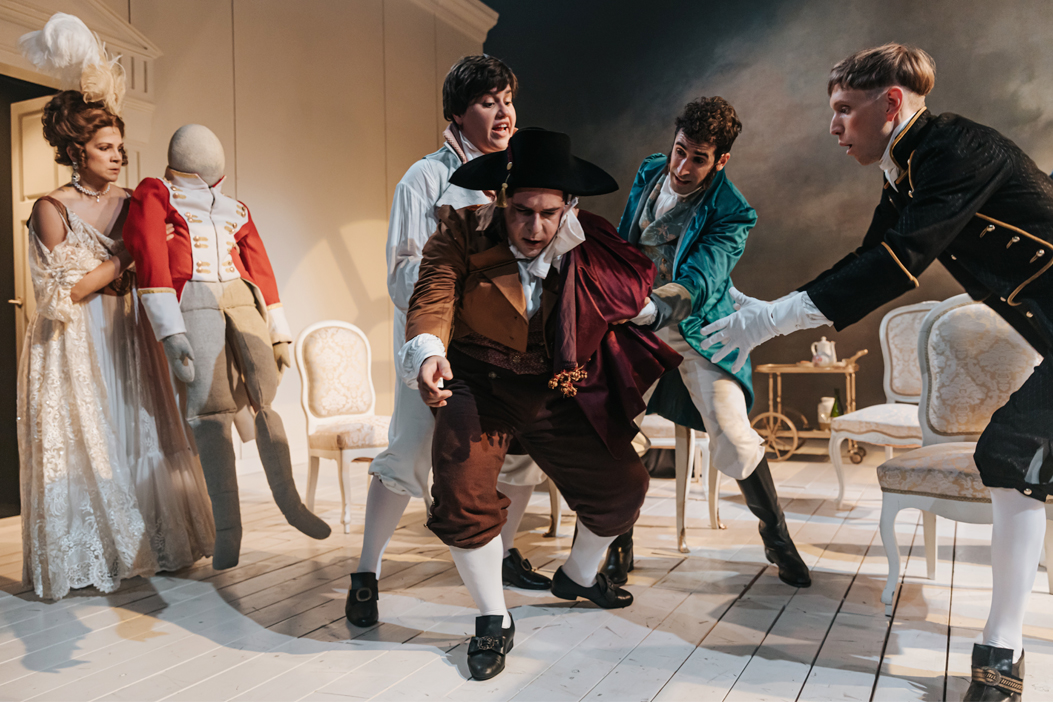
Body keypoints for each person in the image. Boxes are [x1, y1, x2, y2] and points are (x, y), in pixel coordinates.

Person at [699, 43, 1053, 701]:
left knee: (1011, 452)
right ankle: (1003, 645)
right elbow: (871, 257)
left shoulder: (954, 150)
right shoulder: (908, 167)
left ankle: (1001, 651)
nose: (833, 125)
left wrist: (771, 321)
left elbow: (898, 261)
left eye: (843, 109)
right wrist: (770, 311)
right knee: (1013, 459)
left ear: (890, 103)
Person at [401, 128, 681, 680]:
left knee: (623, 486)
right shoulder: (462, 229)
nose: (534, 228)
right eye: (522, 212)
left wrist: (658, 308)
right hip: (476, 383)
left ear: (568, 205)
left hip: (557, 388)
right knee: (461, 492)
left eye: (548, 214)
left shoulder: (589, 242)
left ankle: (578, 577)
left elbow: (634, 295)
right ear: (502, 199)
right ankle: (493, 617)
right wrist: (429, 351)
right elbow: (433, 291)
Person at [346, 55, 548, 628]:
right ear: (458, 114)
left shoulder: (518, 177)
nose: (503, 113)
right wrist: (470, 274)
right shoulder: (425, 179)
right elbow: (400, 275)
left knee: (517, 454)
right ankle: (366, 572)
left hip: (504, 346)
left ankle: (501, 558)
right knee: (408, 454)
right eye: (487, 102)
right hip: (434, 341)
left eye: (507, 99)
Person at [17, 14, 214, 600]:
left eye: (120, 147)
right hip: (74, 341)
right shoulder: (51, 208)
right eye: (105, 147)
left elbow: (164, 261)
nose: (117, 155)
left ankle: (152, 543)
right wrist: (127, 255)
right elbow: (63, 293)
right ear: (75, 150)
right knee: (90, 437)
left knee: (139, 425)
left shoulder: (133, 200)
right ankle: (93, 551)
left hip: (127, 333)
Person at [609, 97, 810, 588]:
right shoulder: (650, 171)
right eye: (679, 151)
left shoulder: (733, 211)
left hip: (699, 330)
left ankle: (777, 537)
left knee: (735, 437)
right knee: (611, 424)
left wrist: (657, 308)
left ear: (721, 160)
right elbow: (626, 241)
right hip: (635, 329)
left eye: (698, 159)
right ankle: (617, 540)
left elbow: (702, 278)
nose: (682, 167)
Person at [124, 123, 332, 570]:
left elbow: (259, 264)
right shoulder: (156, 192)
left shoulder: (236, 208)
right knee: (209, 411)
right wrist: (169, 330)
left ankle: (291, 503)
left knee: (264, 399)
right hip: (193, 298)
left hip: (242, 296)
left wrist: (278, 331)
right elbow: (148, 253)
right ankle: (228, 530)